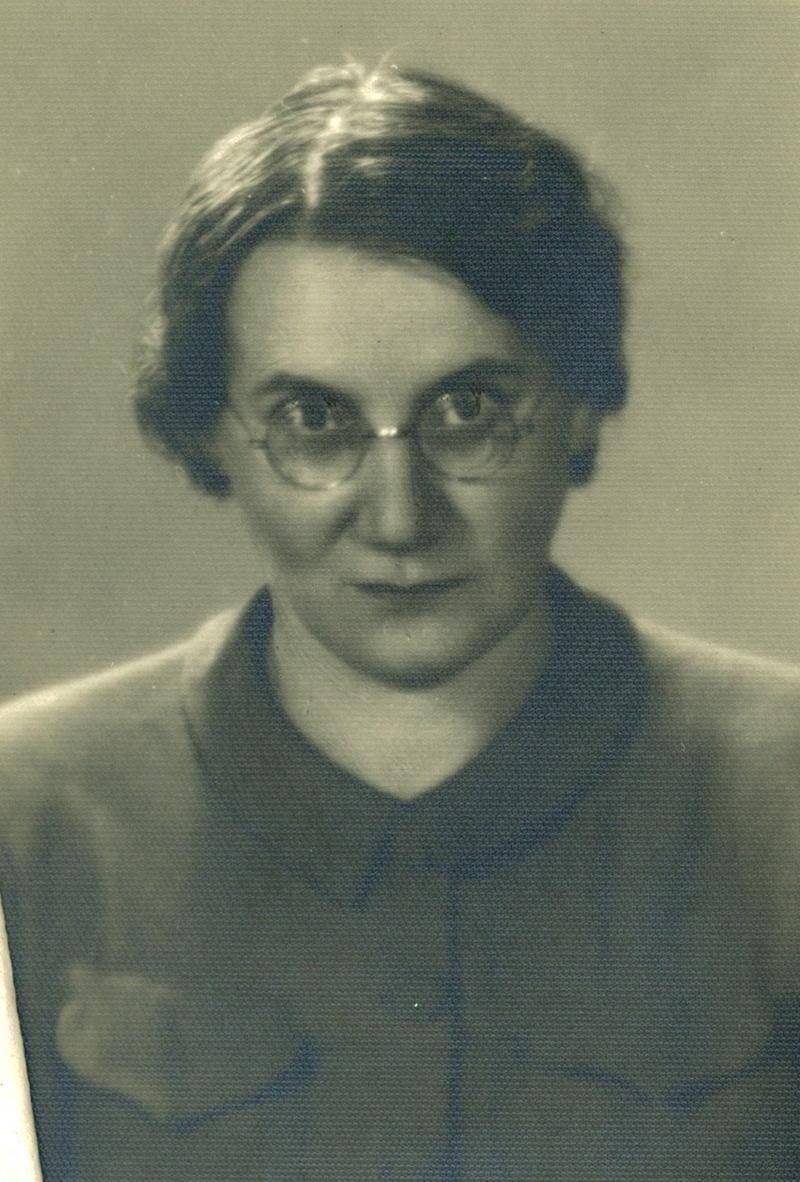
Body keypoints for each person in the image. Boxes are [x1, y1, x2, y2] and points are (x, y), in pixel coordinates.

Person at [1, 59, 799, 1182]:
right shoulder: (26, 818)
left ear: (581, 407)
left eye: (468, 411)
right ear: (209, 436)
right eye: (312, 421)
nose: (398, 517)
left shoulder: (780, 800)